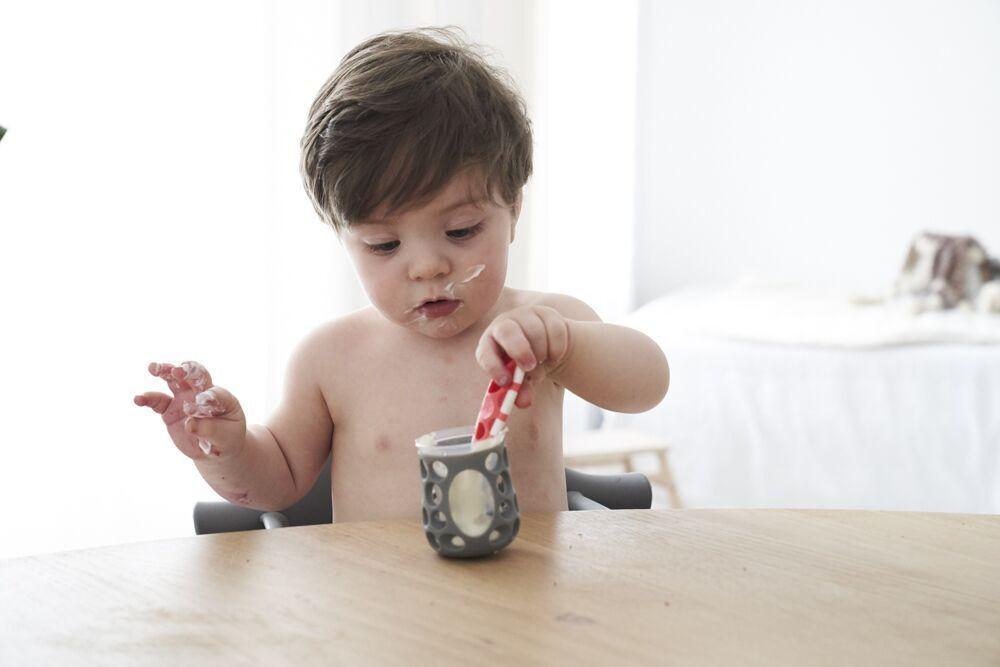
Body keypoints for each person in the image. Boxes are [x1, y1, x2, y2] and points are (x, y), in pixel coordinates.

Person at [133, 28, 669, 521]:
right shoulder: (331, 359)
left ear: (514, 209)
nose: (428, 266)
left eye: (460, 231)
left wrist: (566, 346)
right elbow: (278, 484)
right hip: (379, 616)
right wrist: (226, 448)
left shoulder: (546, 327)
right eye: (384, 244)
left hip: (524, 610)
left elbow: (647, 384)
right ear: (343, 239)